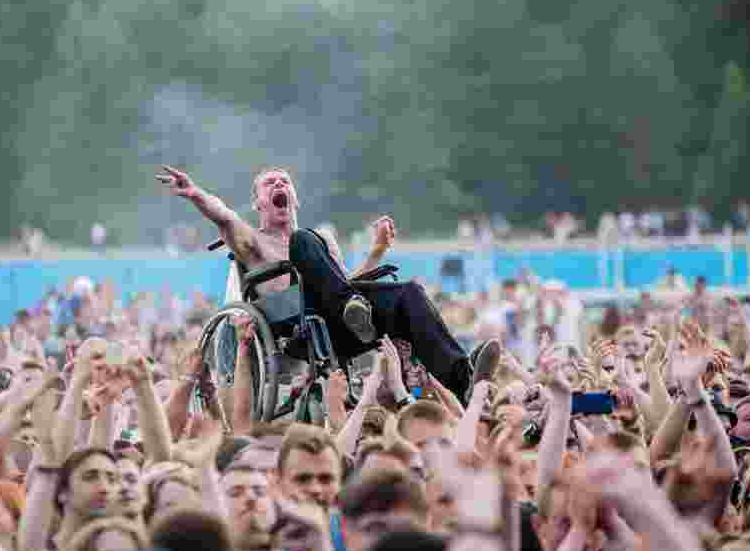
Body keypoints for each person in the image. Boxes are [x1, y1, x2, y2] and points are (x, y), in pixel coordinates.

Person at [157, 165, 499, 403]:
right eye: (270, 183)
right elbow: (223, 214)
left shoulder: (323, 240)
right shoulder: (251, 241)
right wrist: (195, 193)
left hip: (343, 320)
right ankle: (353, 311)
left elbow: (345, 285)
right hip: (295, 327)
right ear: (257, 202)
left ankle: (464, 381)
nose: (279, 185)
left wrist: (376, 252)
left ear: (295, 198)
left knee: (409, 293)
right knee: (304, 241)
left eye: (285, 182)